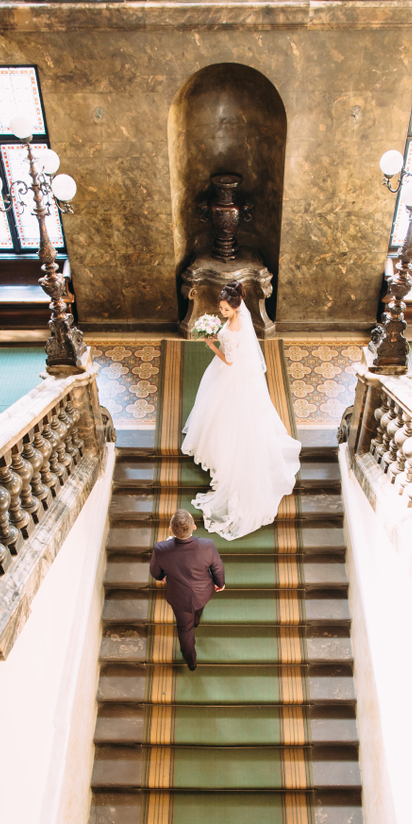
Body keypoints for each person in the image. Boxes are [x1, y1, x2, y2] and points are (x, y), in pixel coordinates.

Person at [182, 282, 301, 541]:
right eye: (221, 308)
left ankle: (225, 456)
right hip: (241, 375)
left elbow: (230, 360)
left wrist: (211, 344)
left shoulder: (235, 325)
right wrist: (219, 333)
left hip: (231, 374)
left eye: (225, 309)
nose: (222, 312)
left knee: (224, 415)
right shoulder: (241, 317)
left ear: (235, 307)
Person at [149, 508, 225, 671]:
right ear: (194, 527)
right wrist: (220, 583)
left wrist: (161, 575)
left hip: (179, 598)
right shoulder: (207, 545)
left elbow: (155, 572)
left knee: (185, 629)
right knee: (198, 607)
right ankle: (196, 619)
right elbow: (217, 567)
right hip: (202, 592)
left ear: (170, 529)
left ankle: (191, 661)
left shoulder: (160, 549)